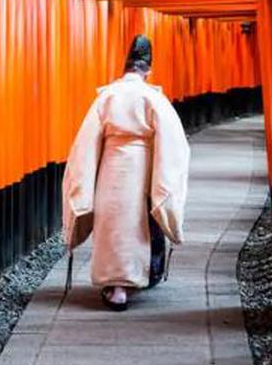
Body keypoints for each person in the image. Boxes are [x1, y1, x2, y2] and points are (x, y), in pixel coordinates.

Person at [61, 35, 191, 310]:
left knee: (111, 222)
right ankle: (133, 279)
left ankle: (115, 285)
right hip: (142, 165)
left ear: (125, 67)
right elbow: (174, 144)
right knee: (139, 221)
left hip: (110, 165)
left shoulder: (107, 96)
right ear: (148, 70)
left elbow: (85, 143)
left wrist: (83, 182)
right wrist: (164, 178)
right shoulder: (153, 98)